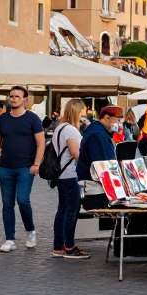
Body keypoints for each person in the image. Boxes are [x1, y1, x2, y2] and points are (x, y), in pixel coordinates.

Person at [0, 86, 45, 253]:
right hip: (6, 167)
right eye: (11, 96)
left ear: (25, 100)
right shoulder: (2, 119)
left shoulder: (32, 119)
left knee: (22, 200)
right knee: (7, 203)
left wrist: (36, 164)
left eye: (17, 96)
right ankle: (9, 239)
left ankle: (30, 232)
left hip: (25, 167)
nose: (13, 99)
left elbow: (41, 142)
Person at [48, 99, 88, 259]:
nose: (86, 112)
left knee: (63, 209)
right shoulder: (71, 130)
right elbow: (75, 153)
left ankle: (58, 246)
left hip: (61, 174)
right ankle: (69, 246)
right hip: (70, 174)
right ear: (77, 110)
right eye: (84, 109)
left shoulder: (60, 127)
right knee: (72, 210)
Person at [76, 105, 122, 210]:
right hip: (95, 188)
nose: (119, 123)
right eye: (117, 120)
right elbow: (104, 164)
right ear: (107, 118)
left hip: (94, 186)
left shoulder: (97, 130)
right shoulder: (98, 135)